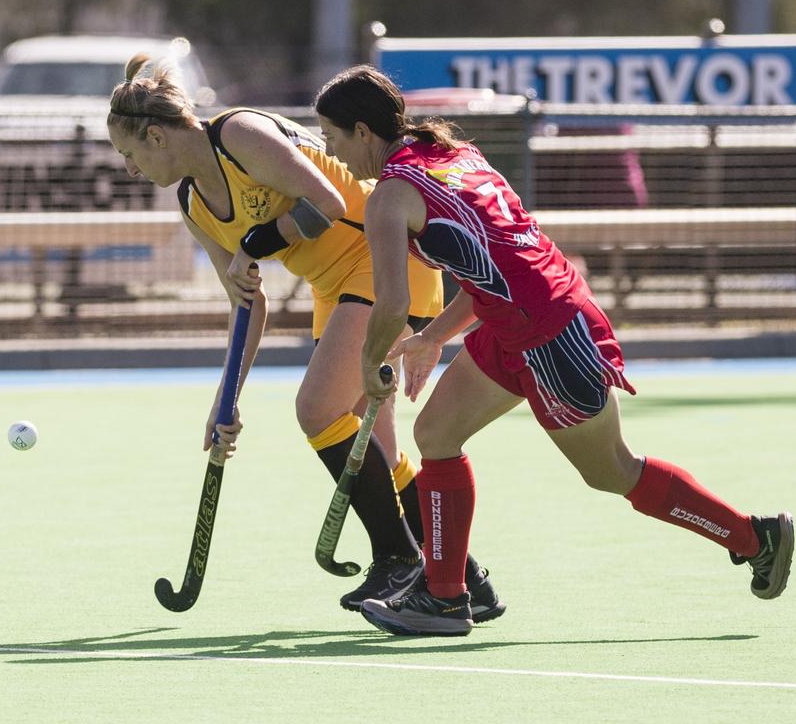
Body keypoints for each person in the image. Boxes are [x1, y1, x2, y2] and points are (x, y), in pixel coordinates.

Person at [313, 64, 795, 637]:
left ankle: (752, 536)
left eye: (332, 138)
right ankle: (445, 596)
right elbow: (492, 266)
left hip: (551, 335)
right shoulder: (454, 154)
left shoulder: (390, 196)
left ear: (363, 132)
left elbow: (390, 302)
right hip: (515, 320)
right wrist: (431, 339)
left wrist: (372, 366)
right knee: (436, 434)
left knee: (612, 470)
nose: (332, 152)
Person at [107, 55, 505, 621]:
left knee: (318, 409)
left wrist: (258, 242)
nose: (130, 169)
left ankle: (397, 557)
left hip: (383, 259)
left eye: (130, 155)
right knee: (379, 452)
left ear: (156, 136)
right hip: (333, 286)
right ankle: (463, 579)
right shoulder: (193, 202)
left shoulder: (239, 133)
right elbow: (248, 298)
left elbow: (330, 203)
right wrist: (229, 400)